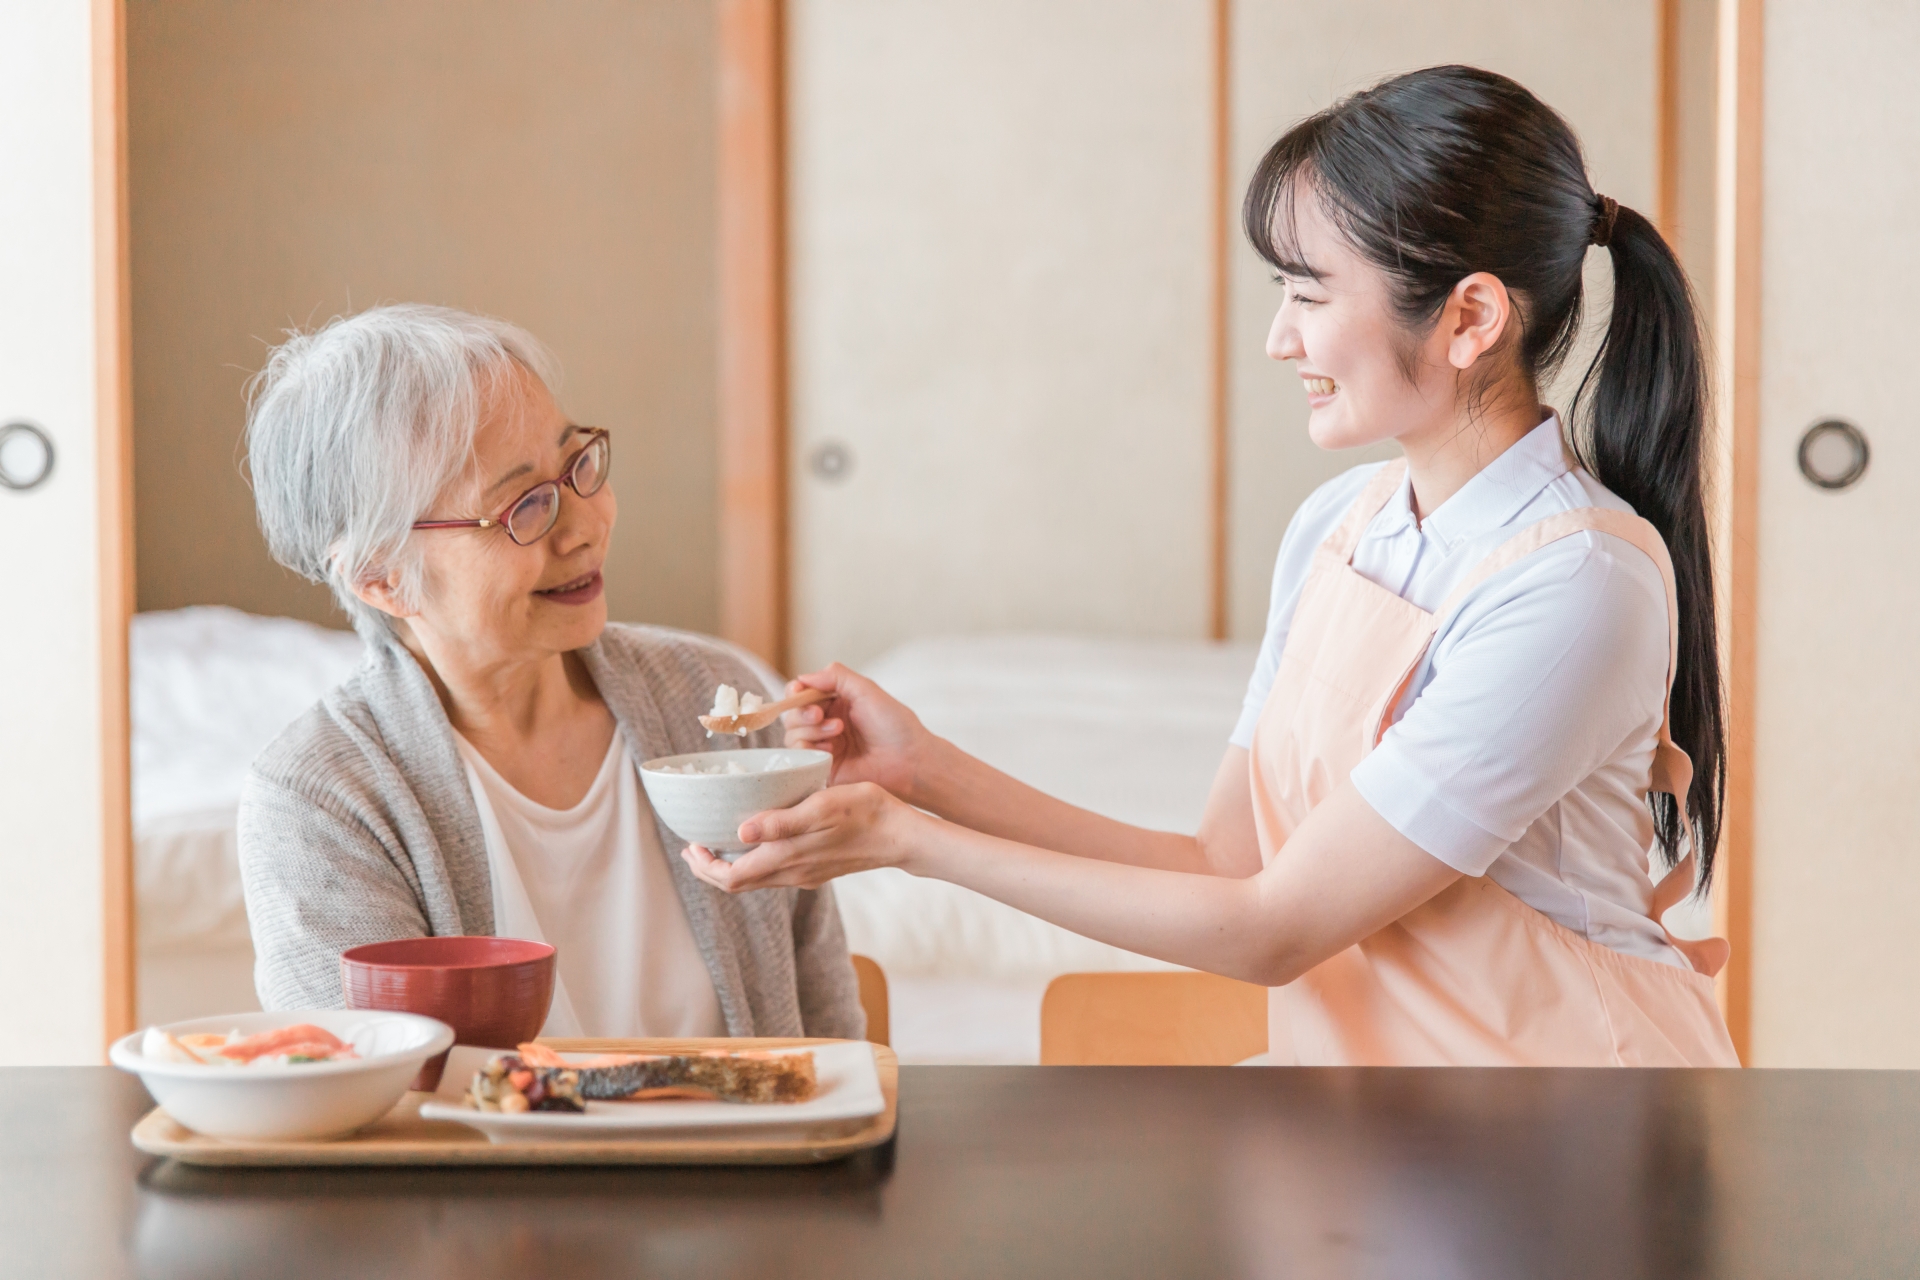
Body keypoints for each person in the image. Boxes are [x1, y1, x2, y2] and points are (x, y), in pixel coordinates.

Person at [682, 66, 1738, 1066]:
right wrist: (924, 770)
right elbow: (1228, 862)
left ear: (1469, 317)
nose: (1280, 338)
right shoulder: (1340, 524)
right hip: (1392, 1114)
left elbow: (1271, 928)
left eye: (1311, 294)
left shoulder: (1577, 581)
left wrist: (909, 840)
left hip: (1569, 1128)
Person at [237, 303, 863, 1040]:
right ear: (380, 577)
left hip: (754, 1158)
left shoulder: (711, 698)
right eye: (524, 507)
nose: (584, 525)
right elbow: (379, 1107)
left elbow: (830, 1050)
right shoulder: (321, 800)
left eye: (578, 467)